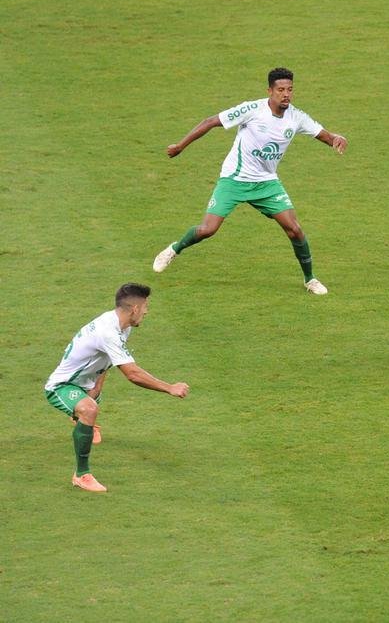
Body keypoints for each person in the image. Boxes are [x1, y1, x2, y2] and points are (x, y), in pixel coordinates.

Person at [151, 67, 348, 295]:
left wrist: (336, 138)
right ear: (270, 91)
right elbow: (211, 121)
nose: (286, 94)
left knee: (295, 229)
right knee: (207, 229)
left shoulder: (296, 117)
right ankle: (174, 249)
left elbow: (324, 135)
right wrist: (180, 146)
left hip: (266, 183)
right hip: (234, 180)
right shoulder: (252, 109)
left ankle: (310, 279)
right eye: (281, 90)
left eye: (290, 90)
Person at [44, 283, 189, 493]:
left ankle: (82, 418)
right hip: (62, 385)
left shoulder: (122, 325)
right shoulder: (108, 332)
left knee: (90, 406)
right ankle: (81, 475)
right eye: (146, 307)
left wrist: (95, 392)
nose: (147, 312)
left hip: (84, 384)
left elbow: (106, 361)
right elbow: (132, 374)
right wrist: (169, 388)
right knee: (89, 410)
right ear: (135, 309)